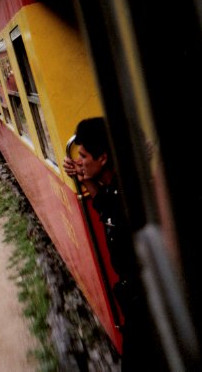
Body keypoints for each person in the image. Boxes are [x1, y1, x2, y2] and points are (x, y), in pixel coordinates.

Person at [63, 117, 165, 371]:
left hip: (146, 304)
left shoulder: (131, 199)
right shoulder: (119, 188)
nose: (79, 160)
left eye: (84, 155)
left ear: (104, 159)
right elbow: (106, 204)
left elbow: (112, 208)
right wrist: (83, 176)